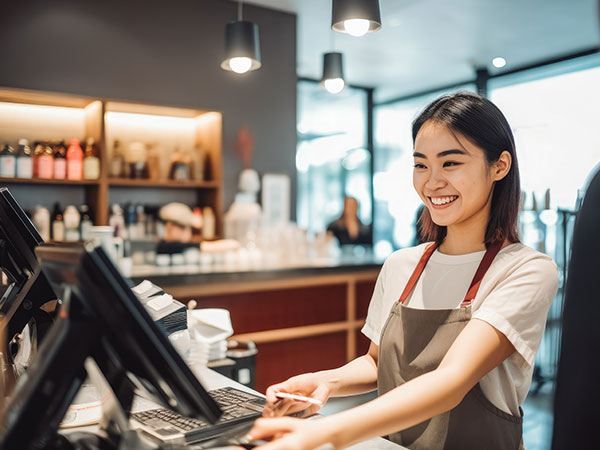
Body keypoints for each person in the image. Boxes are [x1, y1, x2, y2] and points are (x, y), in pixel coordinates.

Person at [246, 92, 558, 450]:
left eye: (451, 163)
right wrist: (325, 382)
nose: (432, 182)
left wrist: (327, 432)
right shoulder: (401, 264)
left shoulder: (527, 270)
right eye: (421, 165)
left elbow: (452, 380)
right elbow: (375, 362)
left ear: (499, 166)